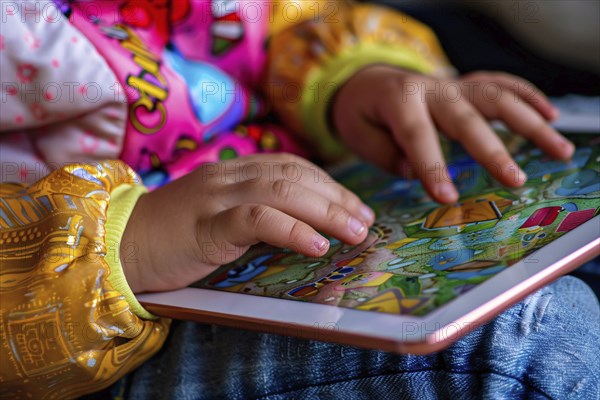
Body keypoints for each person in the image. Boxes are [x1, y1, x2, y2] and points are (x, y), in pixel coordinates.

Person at [0, 1, 597, 399]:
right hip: (113, 330)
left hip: (322, 202)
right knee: (530, 338)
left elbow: (288, 16)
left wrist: (353, 80)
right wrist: (125, 247)